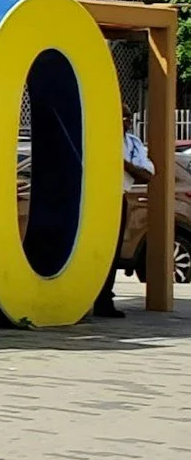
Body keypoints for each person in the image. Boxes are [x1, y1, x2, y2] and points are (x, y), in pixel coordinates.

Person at [94, 124, 158, 318]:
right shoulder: (98, 138)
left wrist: (122, 162)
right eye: (121, 115)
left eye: (128, 116)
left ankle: (104, 300)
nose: (124, 120)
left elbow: (146, 174)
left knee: (113, 250)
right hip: (95, 197)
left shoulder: (132, 143)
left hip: (118, 196)